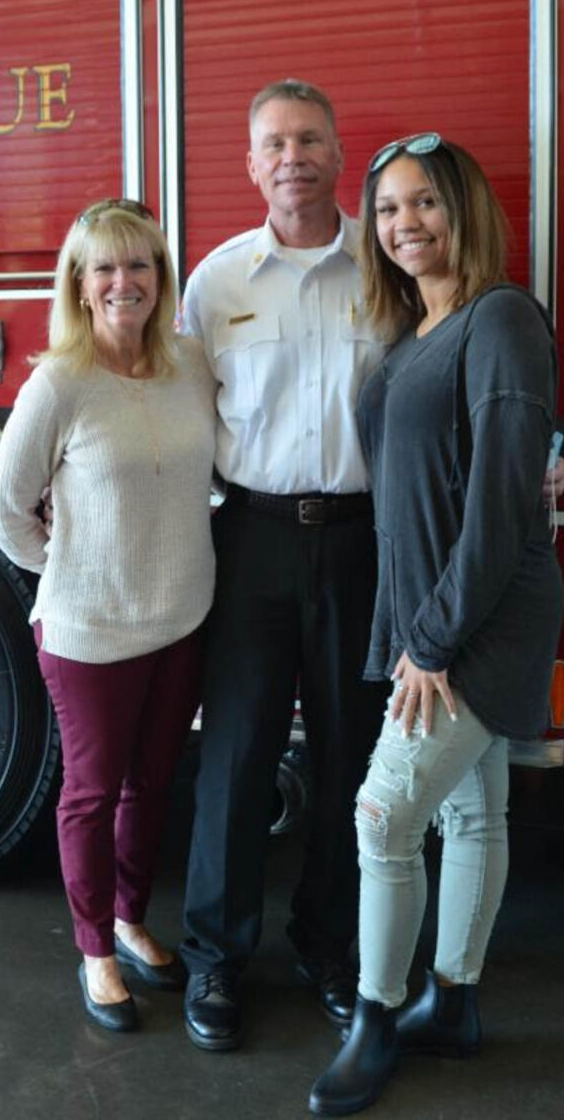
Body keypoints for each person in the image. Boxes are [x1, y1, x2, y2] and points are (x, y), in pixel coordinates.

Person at [308, 135, 562, 1115]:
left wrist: (433, 637)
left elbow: (501, 501)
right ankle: (452, 1003)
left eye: (423, 203)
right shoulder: (420, 330)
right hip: (436, 608)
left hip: (476, 617)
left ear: (464, 209)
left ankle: (375, 1018)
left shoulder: (499, 318)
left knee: (384, 812)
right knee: (469, 810)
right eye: (385, 209)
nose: (403, 223)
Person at [177, 80, 384, 1051]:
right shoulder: (216, 282)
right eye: (273, 142)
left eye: (308, 138)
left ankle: (328, 948)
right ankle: (215, 958)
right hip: (251, 537)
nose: (291, 155)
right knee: (237, 754)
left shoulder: (386, 270)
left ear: (339, 153)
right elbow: (175, 421)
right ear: (250, 163)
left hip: (360, 540)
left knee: (350, 751)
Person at [0, 198, 217, 1034]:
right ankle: (95, 951)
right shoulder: (60, 381)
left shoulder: (190, 363)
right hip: (89, 633)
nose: (126, 282)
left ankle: (130, 916)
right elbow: (3, 511)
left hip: (181, 620)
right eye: (106, 267)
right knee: (91, 792)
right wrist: (72, 570)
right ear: (80, 284)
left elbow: (216, 468)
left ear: (162, 276)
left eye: (141, 264)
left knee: (153, 785)